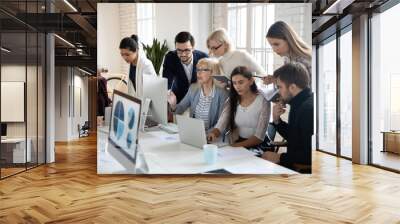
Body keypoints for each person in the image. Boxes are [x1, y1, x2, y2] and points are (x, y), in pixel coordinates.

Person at [262, 63, 313, 173]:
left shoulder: (308, 109)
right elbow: (295, 137)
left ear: (293, 87)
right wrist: (277, 120)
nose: (278, 92)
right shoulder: (298, 103)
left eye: (279, 87)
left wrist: (279, 157)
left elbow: (310, 154)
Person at [207, 66, 271, 149]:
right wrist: (213, 134)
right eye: (234, 83)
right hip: (238, 142)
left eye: (241, 82)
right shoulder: (232, 100)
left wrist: (233, 147)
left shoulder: (264, 101)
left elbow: (259, 137)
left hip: (258, 146)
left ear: (251, 81)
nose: (237, 86)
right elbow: (221, 123)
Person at [167, 58, 228, 132]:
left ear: (213, 72)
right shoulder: (193, 88)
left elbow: (221, 124)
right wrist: (173, 104)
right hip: (194, 132)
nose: (199, 73)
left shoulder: (222, 94)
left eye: (203, 70)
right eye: (198, 69)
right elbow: (180, 109)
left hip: (212, 137)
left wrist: (205, 134)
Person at [162, 31, 208, 103]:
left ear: (193, 48)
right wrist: (169, 94)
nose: (183, 54)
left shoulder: (204, 57)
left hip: (200, 99)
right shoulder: (170, 57)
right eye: (179, 50)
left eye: (187, 50)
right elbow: (167, 81)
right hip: (179, 98)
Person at [263, 21, 312, 85]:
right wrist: (275, 80)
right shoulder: (287, 59)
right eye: (271, 45)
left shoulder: (305, 62)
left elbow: (303, 90)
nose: (274, 49)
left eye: (276, 44)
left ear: (288, 40)